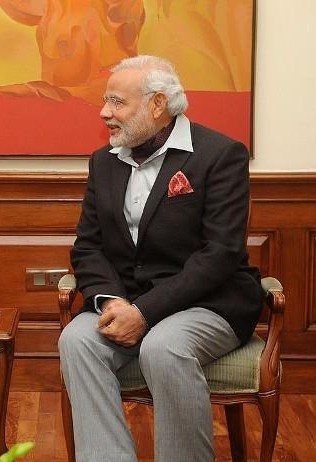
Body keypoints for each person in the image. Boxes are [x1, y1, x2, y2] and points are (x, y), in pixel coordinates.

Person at [58, 55, 262, 461]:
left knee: (164, 346)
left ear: (157, 104)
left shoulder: (220, 155)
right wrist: (113, 302)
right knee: (76, 340)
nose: (104, 113)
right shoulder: (104, 162)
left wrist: (145, 313)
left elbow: (220, 254)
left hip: (209, 302)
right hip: (127, 299)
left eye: (117, 102)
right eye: (105, 102)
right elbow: (89, 246)